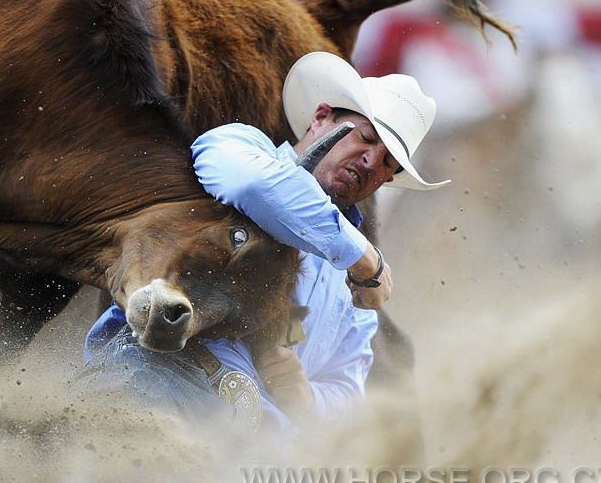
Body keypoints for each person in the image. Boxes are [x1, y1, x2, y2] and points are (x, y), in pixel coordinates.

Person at [80, 52, 448, 434]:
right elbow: (254, 184)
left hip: (248, 450)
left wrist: (305, 398)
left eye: (388, 162)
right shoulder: (239, 147)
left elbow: (348, 394)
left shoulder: (355, 288)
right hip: (153, 378)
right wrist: (362, 257)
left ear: (387, 180)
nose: (371, 160)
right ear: (321, 116)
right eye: (366, 137)